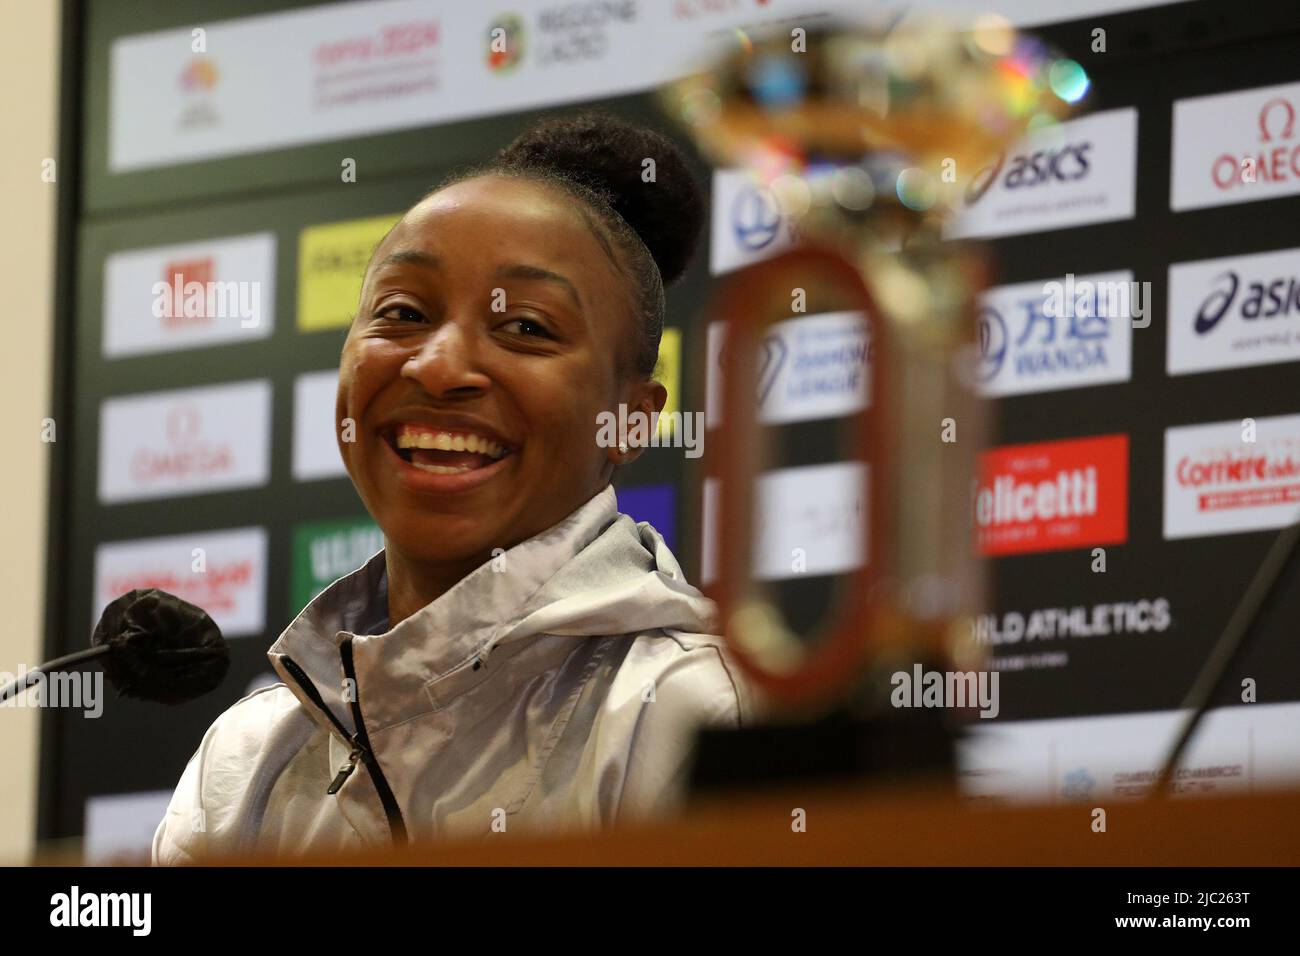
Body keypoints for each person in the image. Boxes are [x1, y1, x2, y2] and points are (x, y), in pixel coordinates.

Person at [151, 112, 754, 863]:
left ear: (629, 421)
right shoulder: (245, 760)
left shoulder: (695, 715)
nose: (437, 367)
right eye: (403, 312)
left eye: (527, 328)